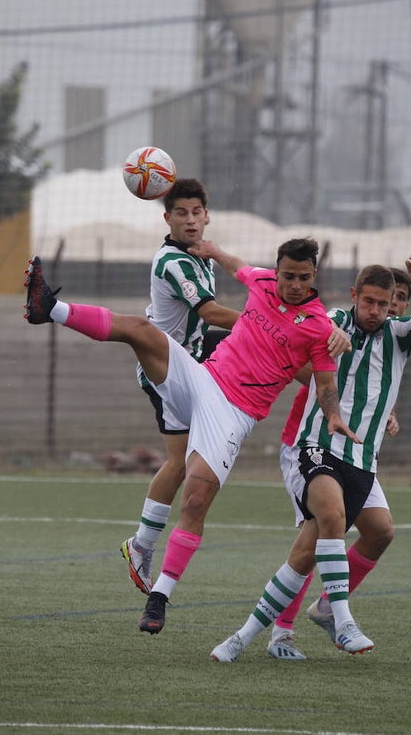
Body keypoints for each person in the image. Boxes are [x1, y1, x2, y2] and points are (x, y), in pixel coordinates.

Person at [24, 237, 360, 634]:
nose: (295, 285)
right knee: (140, 329)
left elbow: (324, 383)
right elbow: (237, 265)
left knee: (196, 499)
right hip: (202, 378)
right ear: (276, 270)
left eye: (304, 278)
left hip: (234, 414)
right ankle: (50, 308)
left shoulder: (319, 327)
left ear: (315, 275)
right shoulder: (262, 281)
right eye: (288, 276)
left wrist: (333, 414)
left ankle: (158, 597)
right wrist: (213, 251)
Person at [211, 254, 411, 662]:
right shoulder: (333, 320)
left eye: (386, 303)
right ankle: (337, 621)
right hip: (315, 444)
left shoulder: (398, 335)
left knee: (337, 542)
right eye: (369, 302)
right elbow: (315, 328)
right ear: (355, 296)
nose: (377, 310)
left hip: (361, 457)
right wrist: (330, 335)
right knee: (330, 520)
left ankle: (243, 637)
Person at [119, 178, 241, 596]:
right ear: (167, 218)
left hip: (193, 358)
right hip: (167, 371)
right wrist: (266, 324)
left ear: (207, 216)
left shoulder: (201, 255)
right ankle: (141, 544)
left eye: (196, 212)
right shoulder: (174, 262)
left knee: (266, 352)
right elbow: (211, 312)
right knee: (179, 462)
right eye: (181, 213)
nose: (190, 220)